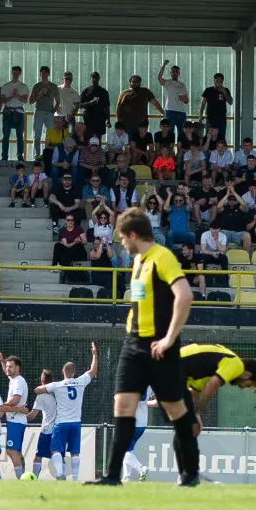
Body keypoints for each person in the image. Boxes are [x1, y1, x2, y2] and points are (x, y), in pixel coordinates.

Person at [99, 208, 200, 487]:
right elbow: (140, 301)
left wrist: (169, 338)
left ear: (133, 235)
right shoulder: (138, 260)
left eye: (122, 237)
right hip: (134, 344)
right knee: (122, 405)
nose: (121, 242)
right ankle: (111, 477)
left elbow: (185, 295)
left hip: (160, 346)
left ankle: (190, 472)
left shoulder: (162, 257)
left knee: (175, 409)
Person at [35, 342, 98, 482]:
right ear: (74, 373)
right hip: (75, 423)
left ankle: (59, 474)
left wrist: (46, 388)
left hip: (61, 423)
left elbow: (38, 390)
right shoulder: (81, 381)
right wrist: (94, 354)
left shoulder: (57, 385)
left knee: (55, 450)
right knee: (75, 452)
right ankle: (75, 479)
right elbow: (93, 370)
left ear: (63, 372)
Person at [179, 344, 256, 430]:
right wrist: (198, 413)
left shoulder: (207, 371)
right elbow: (213, 384)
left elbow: (192, 394)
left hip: (178, 362)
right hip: (178, 362)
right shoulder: (237, 365)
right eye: (247, 385)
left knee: (184, 423)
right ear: (247, 375)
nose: (241, 387)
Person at [0, 353, 30, 479]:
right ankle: (25, 477)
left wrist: (2, 406)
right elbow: (7, 372)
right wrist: (2, 361)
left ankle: (21, 479)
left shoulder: (18, 382)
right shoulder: (14, 379)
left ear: (17, 368)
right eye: (7, 366)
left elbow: (16, 399)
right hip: (17, 420)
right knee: (17, 451)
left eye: (10, 367)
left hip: (16, 421)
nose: (7, 369)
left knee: (11, 450)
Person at [25, 370, 58, 479]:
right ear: (52, 380)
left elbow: (32, 416)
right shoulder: (59, 393)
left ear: (42, 381)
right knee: (58, 455)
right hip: (59, 430)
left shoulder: (41, 396)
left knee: (38, 455)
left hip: (47, 430)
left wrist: (19, 418)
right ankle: (62, 479)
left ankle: (34, 478)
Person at [114, 74, 162, 143]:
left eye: (137, 82)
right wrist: (119, 120)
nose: (135, 84)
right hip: (127, 123)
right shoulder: (125, 93)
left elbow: (154, 102)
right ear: (130, 82)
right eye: (133, 82)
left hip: (142, 122)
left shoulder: (145, 91)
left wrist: (163, 112)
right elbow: (118, 107)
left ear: (140, 83)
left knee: (141, 141)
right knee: (130, 141)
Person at [198, 72, 233, 140]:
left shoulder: (226, 90)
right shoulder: (208, 90)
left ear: (222, 81)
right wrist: (200, 115)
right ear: (214, 80)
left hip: (221, 118)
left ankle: (220, 147)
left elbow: (230, 102)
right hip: (210, 118)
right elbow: (203, 103)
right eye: (216, 81)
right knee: (209, 136)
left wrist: (224, 92)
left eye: (220, 81)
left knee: (221, 136)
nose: (218, 83)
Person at [156, 59, 189, 130]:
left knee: (183, 132)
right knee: (169, 132)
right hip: (169, 111)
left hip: (181, 112)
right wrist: (164, 65)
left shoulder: (182, 85)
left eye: (176, 72)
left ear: (179, 73)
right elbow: (159, 78)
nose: (174, 73)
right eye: (173, 71)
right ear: (170, 73)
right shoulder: (168, 83)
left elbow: (186, 101)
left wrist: (183, 99)